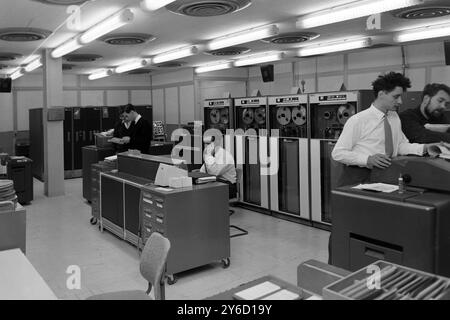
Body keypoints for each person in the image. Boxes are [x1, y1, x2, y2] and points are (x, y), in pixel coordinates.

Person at [329, 72, 439, 264]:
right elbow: (338, 153)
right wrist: (367, 158)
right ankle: (337, 266)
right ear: (381, 94)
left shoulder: (394, 118)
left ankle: (368, 265)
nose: (399, 101)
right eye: (396, 96)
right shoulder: (358, 120)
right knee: (345, 226)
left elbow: (400, 146)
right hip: (356, 179)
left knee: (373, 228)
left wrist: (425, 148)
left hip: (384, 179)